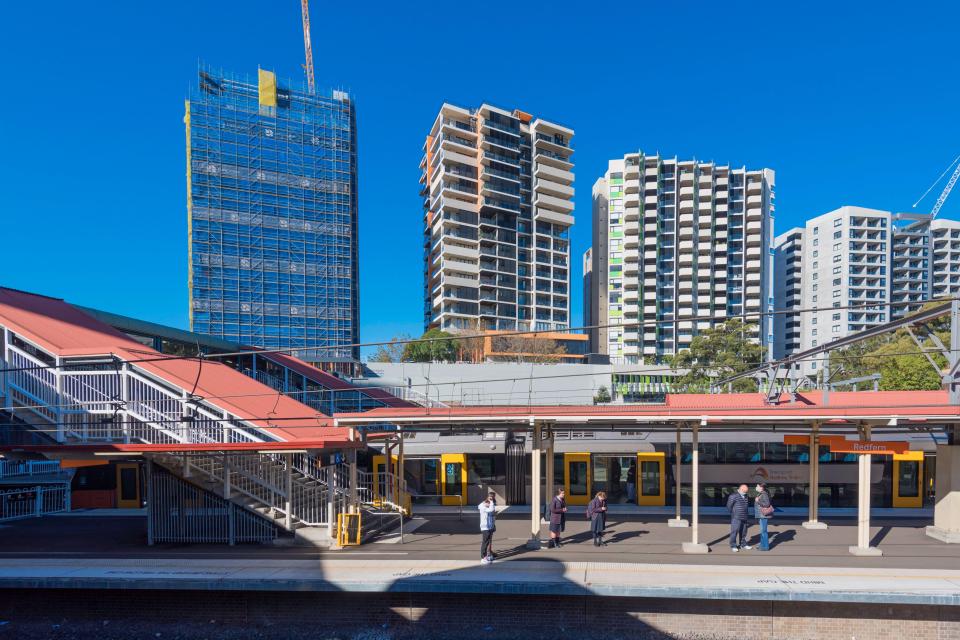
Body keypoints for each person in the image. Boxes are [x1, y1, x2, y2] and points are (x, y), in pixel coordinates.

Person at [726, 483, 752, 552]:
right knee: (734, 531)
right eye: (744, 491)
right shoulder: (733, 496)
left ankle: (743, 544)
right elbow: (729, 506)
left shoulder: (746, 496)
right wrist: (734, 513)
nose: (745, 493)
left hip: (745, 517)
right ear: (741, 489)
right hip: (736, 517)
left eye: (746, 492)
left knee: (744, 532)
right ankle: (733, 545)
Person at [478, 491, 497, 564]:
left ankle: (487, 555)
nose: (489, 505)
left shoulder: (488, 506)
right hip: (485, 527)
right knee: (485, 542)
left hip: (490, 526)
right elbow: (491, 510)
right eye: (488, 503)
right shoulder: (483, 507)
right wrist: (491, 502)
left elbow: (492, 515)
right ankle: (483, 557)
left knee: (488, 541)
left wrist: (493, 525)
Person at [754, 483, 773, 551]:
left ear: (761, 487)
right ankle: (762, 545)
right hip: (761, 515)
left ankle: (765, 547)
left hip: (763, 515)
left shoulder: (764, 494)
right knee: (762, 531)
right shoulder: (761, 494)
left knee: (763, 531)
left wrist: (758, 501)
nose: (756, 487)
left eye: (757, 486)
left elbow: (767, 504)